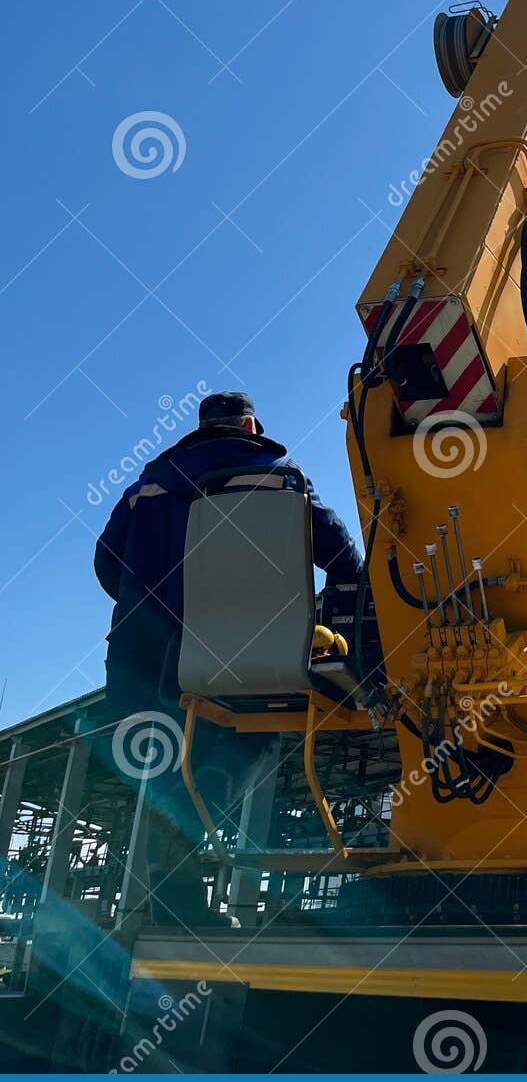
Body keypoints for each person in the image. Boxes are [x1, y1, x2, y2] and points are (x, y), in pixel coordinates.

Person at [94, 391, 363, 926]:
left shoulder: (146, 485)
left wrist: (146, 613)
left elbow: (106, 562)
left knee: (164, 761)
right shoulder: (280, 477)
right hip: (240, 657)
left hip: (144, 655)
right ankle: (186, 868)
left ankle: (175, 897)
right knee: (247, 739)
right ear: (250, 426)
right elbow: (343, 557)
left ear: (201, 427)